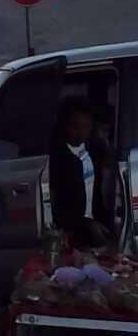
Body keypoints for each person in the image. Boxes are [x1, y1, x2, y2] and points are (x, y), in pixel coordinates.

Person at [49, 97, 111, 248]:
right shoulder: (56, 157)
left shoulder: (94, 148)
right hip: (73, 233)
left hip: (98, 225)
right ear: (65, 126)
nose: (80, 132)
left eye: (85, 126)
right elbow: (53, 204)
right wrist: (86, 224)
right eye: (74, 126)